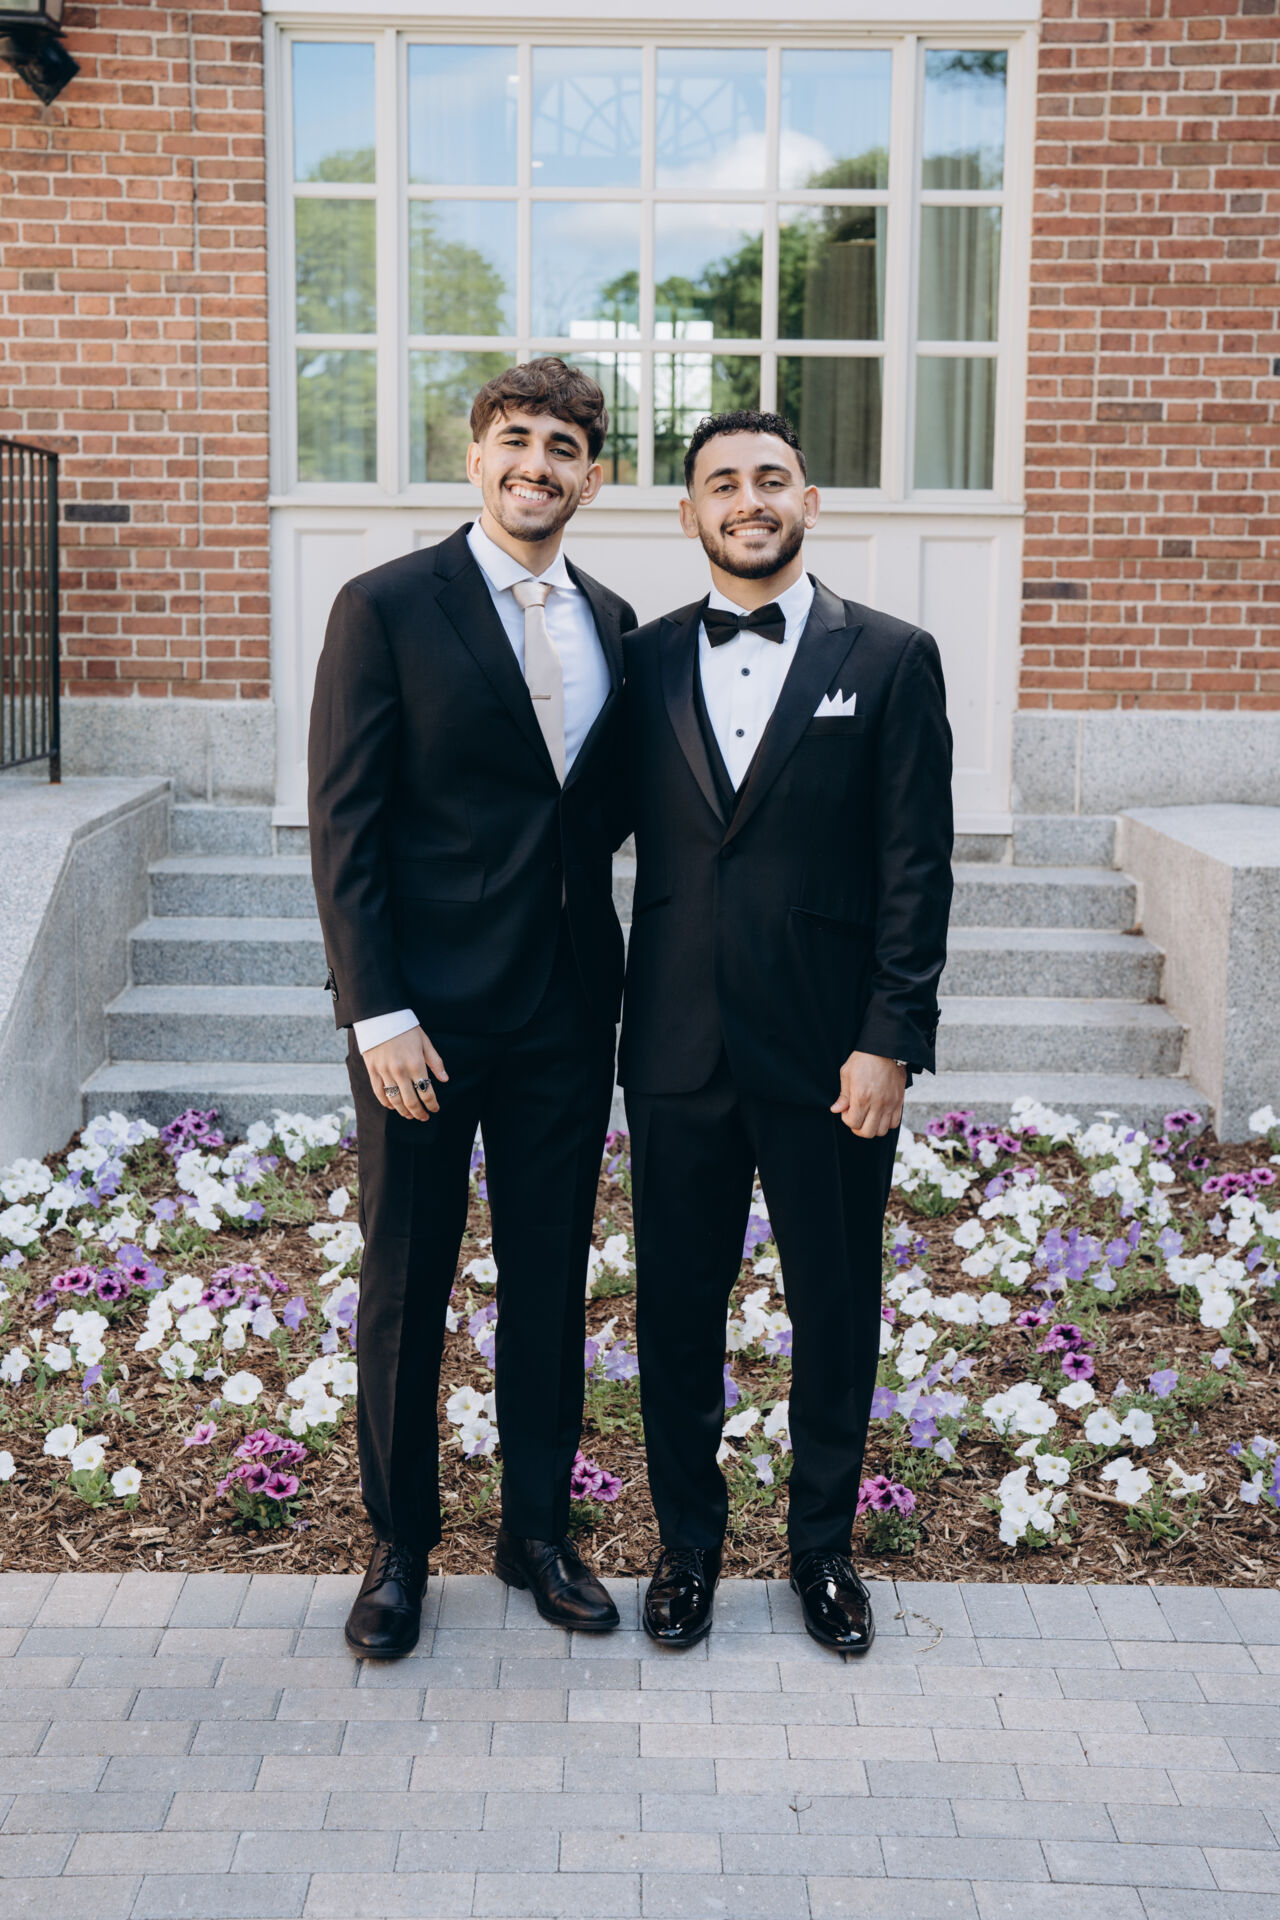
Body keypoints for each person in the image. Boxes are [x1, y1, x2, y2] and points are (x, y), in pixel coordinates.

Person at [309, 359, 636, 1657]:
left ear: (592, 478)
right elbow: (345, 823)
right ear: (475, 457)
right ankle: (399, 1550)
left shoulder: (613, 619)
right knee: (408, 1279)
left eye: (562, 446)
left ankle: (536, 1536)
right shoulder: (386, 605)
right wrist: (375, 1010)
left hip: (566, 1010)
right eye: (515, 439)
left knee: (549, 1279)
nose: (535, 465)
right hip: (424, 1022)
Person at [619, 410, 953, 1652]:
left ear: (808, 500)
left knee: (835, 1303)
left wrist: (889, 1035)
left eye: (769, 479)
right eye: (721, 483)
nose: (746, 500)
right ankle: (686, 1549)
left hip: (830, 1055)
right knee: (674, 1310)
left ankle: (821, 1550)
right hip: (675, 1047)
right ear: (689, 513)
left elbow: (915, 867)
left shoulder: (893, 655)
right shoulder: (640, 659)